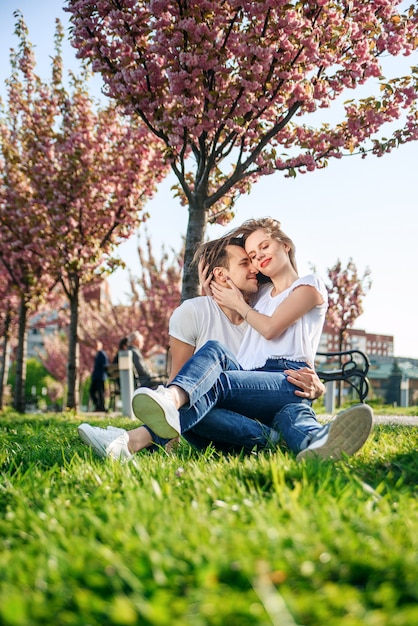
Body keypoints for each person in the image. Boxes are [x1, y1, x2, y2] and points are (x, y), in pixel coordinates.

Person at [132, 218, 373, 462]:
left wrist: (236, 301)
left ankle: (144, 429)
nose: (258, 260)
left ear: (285, 245)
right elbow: (234, 291)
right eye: (252, 255)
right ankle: (300, 442)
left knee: (213, 386)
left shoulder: (308, 285)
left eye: (264, 247)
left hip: (288, 377)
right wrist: (214, 286)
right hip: (256, 384)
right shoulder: (261, 296)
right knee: (285, 415)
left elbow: (270, 328)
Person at [78, 235, 324, 459]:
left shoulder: (265, 307)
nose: (254, 267)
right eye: (245, 262)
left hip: (277, 391)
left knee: (206, 383)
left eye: (255, 259)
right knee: (200, 383)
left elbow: (286, 312)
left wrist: (318, 385)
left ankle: (130, 440)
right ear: (219, 275)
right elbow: (181, 377)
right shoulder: (197, 312)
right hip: (237, 422)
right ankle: (274, 442)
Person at [89, 340, 108, 412]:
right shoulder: (97, 354)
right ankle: (98, 406)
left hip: (100, 377)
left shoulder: (102, 354)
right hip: (96, 377)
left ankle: (101, 407)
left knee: (100, 393)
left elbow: (104, 366)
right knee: (92, 391)